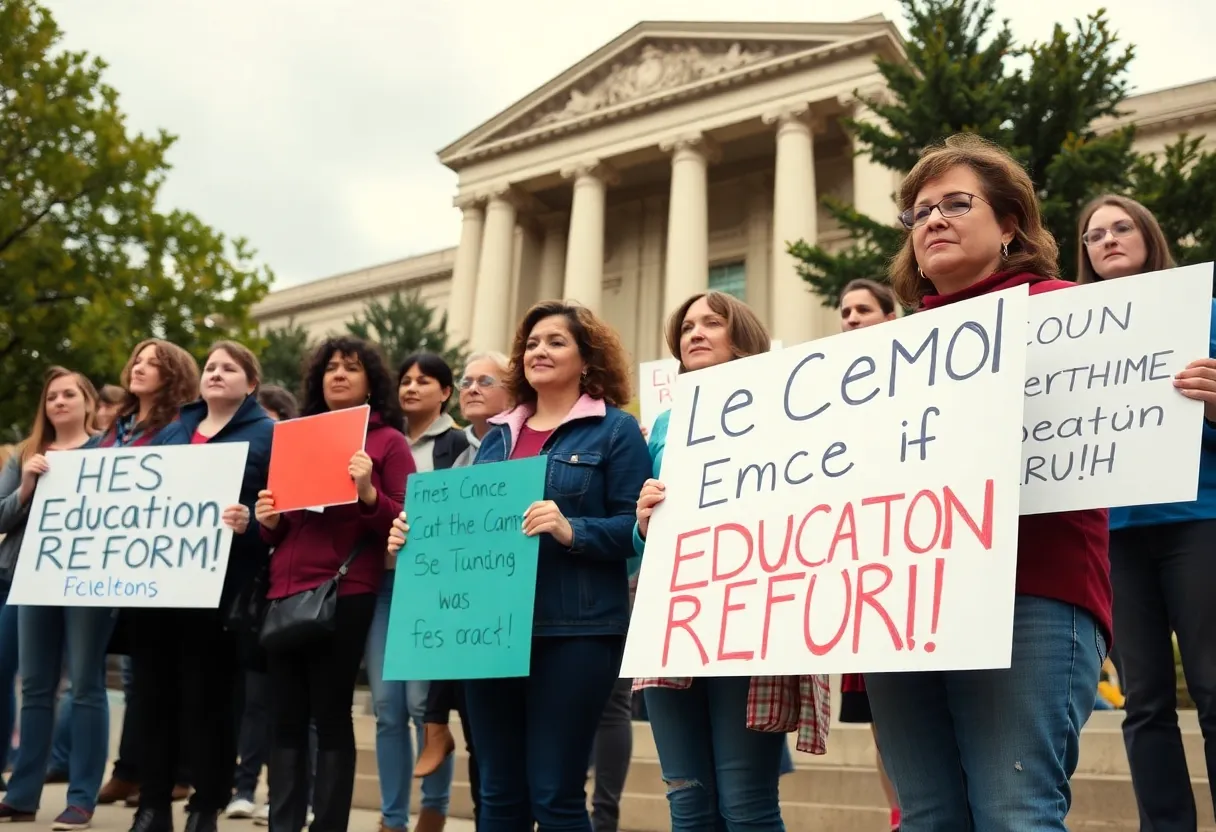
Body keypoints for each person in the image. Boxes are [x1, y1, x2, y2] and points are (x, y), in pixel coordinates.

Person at [862, 133, 1113, 831]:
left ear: (1009, 224)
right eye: (920, 213)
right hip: (906, 606)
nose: (933, 220)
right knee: (926, 817)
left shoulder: (1072, 314)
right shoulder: (880, 359)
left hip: (1029, 591)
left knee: (1014, 815)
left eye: (956, 203)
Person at [400, 301, 651, 831]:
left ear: (587, 360)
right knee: (498, 795)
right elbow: (468, 532)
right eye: (532, 342)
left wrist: (572, 529)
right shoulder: (496, 440)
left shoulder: (615, 430)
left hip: (576, 633)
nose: (540, 350)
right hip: (491, 638)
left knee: (554, 794)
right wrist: (416, 537)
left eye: (556, 341)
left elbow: (636, 529)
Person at [631, 291, 830, 831]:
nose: (695, 333)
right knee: (688, 805)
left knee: (746, 804)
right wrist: (644, 522)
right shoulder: (667, 425)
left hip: (750, 617)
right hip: (675, 619)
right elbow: (640, 542)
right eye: (687, 327)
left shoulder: (789, 412)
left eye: (711, 323)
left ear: (741, 336)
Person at [1077, 194, 1216, 829]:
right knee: (1145, 702)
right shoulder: (1072, 334)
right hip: (1115, 536)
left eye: (1120, 227)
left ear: (1147, 234)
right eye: (1093, 234)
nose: (1107, 240)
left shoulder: (1203, 314)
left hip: (1197, 521)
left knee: (1213, 691)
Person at [255, 337, 413, 832]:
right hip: (284, 591)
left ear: (372, 381)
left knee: (329, 714)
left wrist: (366, 491)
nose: (338, 375)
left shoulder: (388, 441)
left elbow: (406, 518)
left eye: (351, 367)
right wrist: (269, 518)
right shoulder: (294, 437)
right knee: (284, 720)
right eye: (330, 368)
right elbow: (280, 527)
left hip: (345, 591)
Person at [127, 341, 274, 832]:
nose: (215, 373)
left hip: (222, 592)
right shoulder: (173, 431)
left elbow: (283, 515)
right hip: (159, 587)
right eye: (210, 366)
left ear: (251, 384)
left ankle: (204, 807)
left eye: (229, 368)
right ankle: (152, 807)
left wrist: (250, 523)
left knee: (209, 702)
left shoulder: (269, 436)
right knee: (152, 698)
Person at [94, 344, 200, 813]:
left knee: (150, 677)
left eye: (151, 361)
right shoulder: (115, 429)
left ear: (173, 373)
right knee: (137, 676)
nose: (139, 366)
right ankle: (133, 769)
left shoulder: (177, 430)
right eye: (136, 359)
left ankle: (152, 773)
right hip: (111, 567)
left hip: (152, 569)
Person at [411, 351, 513, 830]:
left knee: (500, 744)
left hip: (508, 608)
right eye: (467, 380)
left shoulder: (521, 444)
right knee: (482, 739)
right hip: (461, 609)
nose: (472, 387)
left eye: (485, 380)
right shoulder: (453, 450)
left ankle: (435, 722)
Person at [0, 367, 103, 829]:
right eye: (51, 396)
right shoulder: (25, 455)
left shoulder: (110, 451)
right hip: (32, 578)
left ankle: (81, 798)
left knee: (85, 685)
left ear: (87, 402)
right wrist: (25, 487)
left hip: (90, 581)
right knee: (37, 687)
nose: (59, 402)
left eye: (69, 394)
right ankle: (22, 796)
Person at [366, 354, 464, 832]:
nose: (411, 387)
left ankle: (434, 808)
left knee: (426, 707)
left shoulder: (459, 444)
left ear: (445, 391)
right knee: (386, 707)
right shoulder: (379, 443)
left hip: (432, 588)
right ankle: (391, 818)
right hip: (383, 584)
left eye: (424, 381)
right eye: (404, 380)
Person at [835, 278, 901, 832]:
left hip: (912, 563)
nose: (852, 319)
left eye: (863, 310)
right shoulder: (829, 393)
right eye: (845, 312)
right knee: (885, 720)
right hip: (866, 576)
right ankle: (899, 813)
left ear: (890, 315)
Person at [228, 384, 310, 827]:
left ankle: (291, 794)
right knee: (256, 701)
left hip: (302, 597)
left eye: (274, 418)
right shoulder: (257, 477)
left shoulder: (304, 465)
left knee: (297, 710)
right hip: (262, 598)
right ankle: (244, 788)